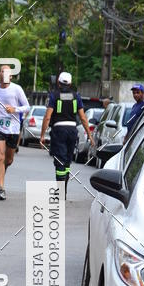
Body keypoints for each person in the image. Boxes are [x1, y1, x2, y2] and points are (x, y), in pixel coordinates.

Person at [40, 70, 92, 199]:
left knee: (60, 162)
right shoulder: (76, 96)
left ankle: (61, 192)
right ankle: (64, 191)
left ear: (58, 83)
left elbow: (47, 117)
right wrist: (90, 135)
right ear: (70, 83)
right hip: (72, 131)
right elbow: (83, 118)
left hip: (59, 131)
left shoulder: (54, 96)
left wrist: (42, 135)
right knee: (67, 162)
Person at [0, 64, 29, 200]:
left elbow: (27, 107)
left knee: (9, 160)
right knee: (0, 157)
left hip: (13, 129)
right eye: (3, 71)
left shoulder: (17, 89)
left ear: (11, 76)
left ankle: (2, 169)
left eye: (8, 72)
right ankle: (1, 189)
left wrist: (15, 109)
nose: (5, 74)